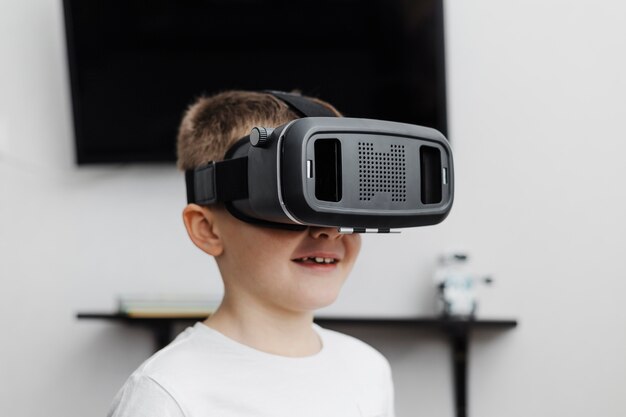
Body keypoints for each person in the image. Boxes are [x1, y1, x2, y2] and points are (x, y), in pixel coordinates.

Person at [108, 91, 395, 417]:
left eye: (343, 205)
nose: (326, 230)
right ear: (207, 230)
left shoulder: (368, 369)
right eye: (288, 205)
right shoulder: (168, 393)